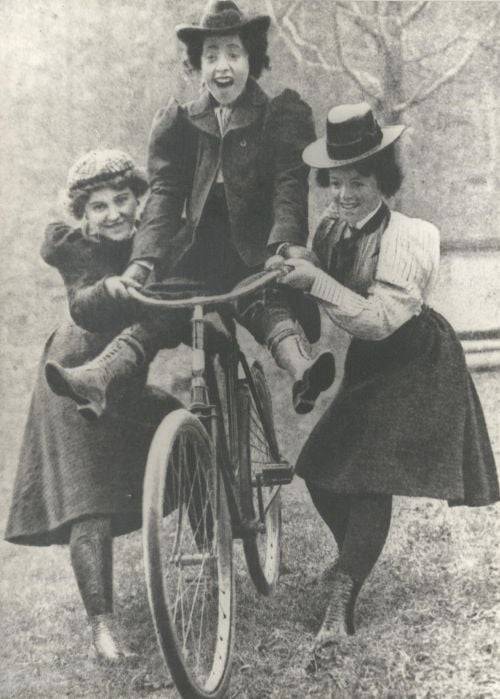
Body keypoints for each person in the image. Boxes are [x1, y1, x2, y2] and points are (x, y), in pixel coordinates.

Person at [44, 0, 335, 420]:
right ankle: (97, 378)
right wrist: (142, 263)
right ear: (197, 64)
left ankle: (302, 369)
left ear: (251, 57)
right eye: (211, 56)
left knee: (263, 302)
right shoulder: (179, 123)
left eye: (233, 54)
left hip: (255, 249)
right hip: (195, 252)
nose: (223, 67)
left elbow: (289, 186)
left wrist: (286, 244)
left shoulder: (279, 116)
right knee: (160, 307)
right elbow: (164, 196)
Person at [277, 103, 499, 648]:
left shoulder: (411, 236)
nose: (345, 193)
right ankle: (349, 560)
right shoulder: (333, 228)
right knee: (320, 470)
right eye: (337, 182)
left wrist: (315, 283)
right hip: (370, 365)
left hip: (416, 360)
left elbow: (378, 320)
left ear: (383, 180)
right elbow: (325, 271)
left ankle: (342, 601)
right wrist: (296, 259)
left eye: (359, 181)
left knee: (368, 479)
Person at [5, 149, 183, 662]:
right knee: (91, 501)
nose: (113, 215)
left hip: (124, 381)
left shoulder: (153, 241)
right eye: (98, 207)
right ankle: (102, 628)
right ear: (83, 217)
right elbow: (85, 300)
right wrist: (112, 286)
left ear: (138, 199)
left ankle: (215, 552)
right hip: (72, 374)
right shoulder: (78, 250)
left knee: (181, 423)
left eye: (121, 200)